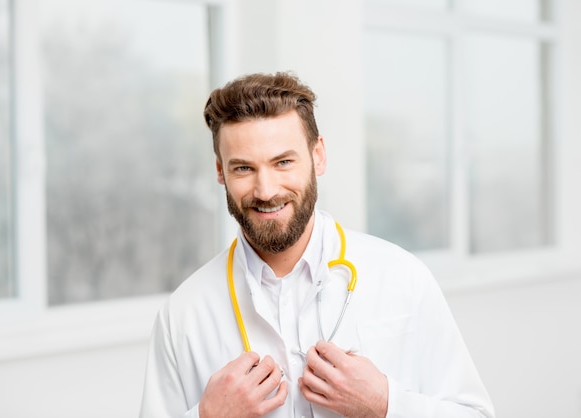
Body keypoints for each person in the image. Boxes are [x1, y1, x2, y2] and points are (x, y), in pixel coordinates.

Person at [139, 72, 495, 418]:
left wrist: (386, 406)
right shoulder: (183, 316)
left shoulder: (402, 277)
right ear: (220, 171)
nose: (266, 190)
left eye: (283, 162)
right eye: (243, 169)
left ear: (318, 156)